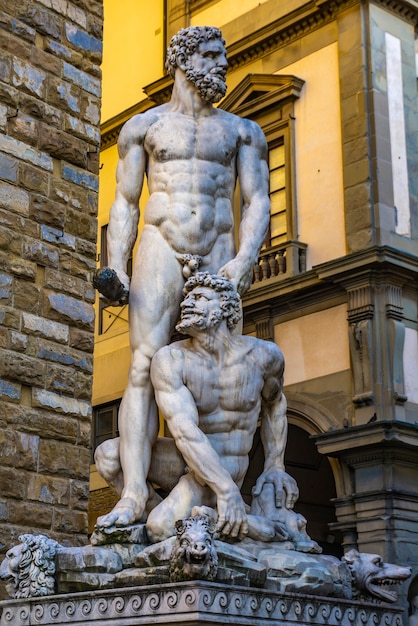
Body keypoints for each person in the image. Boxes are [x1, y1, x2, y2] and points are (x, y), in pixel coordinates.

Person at [95, 26, 270, 528]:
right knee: (144, 365)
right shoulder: (144, 128)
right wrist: (117, 263)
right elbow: (126, 202)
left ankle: (216, 489)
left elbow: (257, 200)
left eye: (223, 56)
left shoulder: (242, 131)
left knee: (216, 369)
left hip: (217, 250)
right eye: (212, 56)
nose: (221, 65)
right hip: (160, 246)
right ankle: (131, 494)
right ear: (184, 59)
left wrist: (243, 259)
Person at [144, 272, 299, 542]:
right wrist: (226, 491)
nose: (188, 303)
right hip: (190, 462)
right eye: (187, 298)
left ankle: (205, 518)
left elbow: (275, 405)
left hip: (228, 465)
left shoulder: (264, 356)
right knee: (109, 456)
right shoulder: (171, 359)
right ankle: (220, 519)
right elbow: (184, 431)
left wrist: (275, 465)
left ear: (226, 307)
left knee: (161, 528)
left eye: (201, 297)